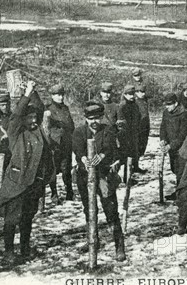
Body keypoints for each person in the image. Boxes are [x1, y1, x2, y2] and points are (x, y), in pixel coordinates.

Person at [0, 81, 53, 262]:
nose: (34, 120)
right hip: (17, 183)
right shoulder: (16, 132)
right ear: (23, 119)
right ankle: (9, 251)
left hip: (34, 183)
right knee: (12, 218)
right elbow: (16, 115)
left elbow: (40, 108)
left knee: (27, 218)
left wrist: (33, 91)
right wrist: (26, 93)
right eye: (30, 117)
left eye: (35, 117)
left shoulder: (38, 132)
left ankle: (25, 249)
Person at [72, 101, 125, 261]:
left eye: (97, 118)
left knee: (110, 210)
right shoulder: (79, 132)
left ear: (101, 117)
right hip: (85, 177)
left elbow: (111, 148)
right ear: (85, 119)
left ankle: (119, 245)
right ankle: (92, 240)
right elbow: (77, 148)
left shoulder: (107, 131)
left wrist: (101, 156)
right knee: (89, 210)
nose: (94, 122)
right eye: (90, 119)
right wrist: (83, 160)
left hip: (104, 177)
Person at [46, 84, 75, 203]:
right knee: (52, 170)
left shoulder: (65, 109)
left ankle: (69, 193)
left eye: (62, 94)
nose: (60, 97)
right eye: (58, 95)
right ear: (52, 96)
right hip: (54, 144)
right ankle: (54, 194)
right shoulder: (48, 110)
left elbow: (71, 125)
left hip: (66, 143)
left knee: (66, 169)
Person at [160, 93, 187, 200]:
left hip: (181, 147)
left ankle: (181, 196)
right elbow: (163, 127)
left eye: (169, 104)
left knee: (180, 171)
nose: (167, 107)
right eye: (166, 105)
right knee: (174, 168)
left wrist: (171, 146)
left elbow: (183, 135)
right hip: (171, 147)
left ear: (176, 103)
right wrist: (162, 139)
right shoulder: (166, 113)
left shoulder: (184, 114)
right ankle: (178, 192)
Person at [117, 84, 141, 170]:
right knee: (126, 152)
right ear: (125, 95)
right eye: (129, 94)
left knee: (135, 150)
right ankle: (126, 172)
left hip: (134, 131)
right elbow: (121, 121)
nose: (131, 96)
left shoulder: (135, 104)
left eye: (132, 94)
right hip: (125, 132)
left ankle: (135, 167)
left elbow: (138, 117)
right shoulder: (122, 105)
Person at [134, 84, 150, 173]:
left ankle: (136, 165)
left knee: (142, 146)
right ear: (136, 92)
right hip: (138, 127)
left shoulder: (144, 100)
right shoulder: (134, 101)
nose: (143, 94)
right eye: (140, 92)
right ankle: (134, 166)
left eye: (143, 92)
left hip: (145, 126)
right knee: (136, 147)